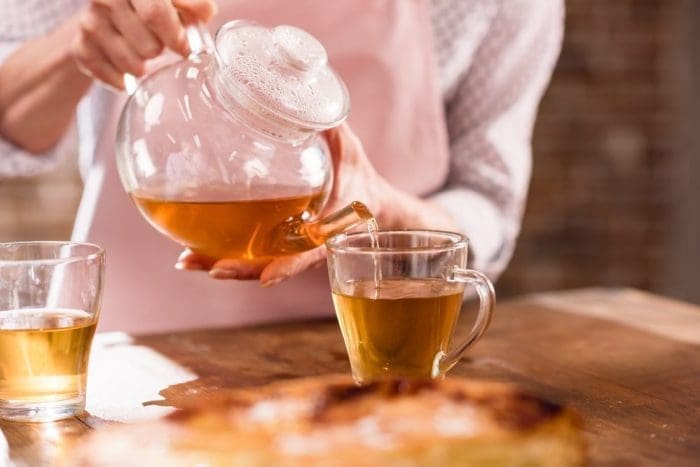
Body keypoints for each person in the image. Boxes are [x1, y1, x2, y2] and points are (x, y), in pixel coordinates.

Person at [0, 0, 563, 333]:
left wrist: (385, 213)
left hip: (374, 363)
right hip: (134, 357)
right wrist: (77, 42)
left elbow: (489, 206)